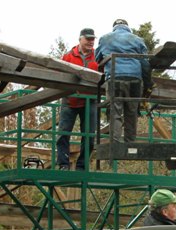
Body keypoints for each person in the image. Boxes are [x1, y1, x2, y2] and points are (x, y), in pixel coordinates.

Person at [95, 19, 151, 143]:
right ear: (127, 27)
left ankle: (115, 142)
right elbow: (145, 63)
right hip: (135, 79)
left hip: (115, 77)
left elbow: (97, 58)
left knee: (115, 111)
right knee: (132, 111)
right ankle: (130, 143)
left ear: (114, 27)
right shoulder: (137, 40)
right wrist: (148, 84)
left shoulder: (105, 39)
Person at [57, 27, 100, 170]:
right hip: (70, 100)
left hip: (90, 101)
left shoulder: (97, 57)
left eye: (93, 39)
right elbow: (59, 75)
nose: (91, 42)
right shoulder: (68, 56)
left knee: (89, 136)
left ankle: (82, 166)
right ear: (80, 39)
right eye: (88, 39)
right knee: (63, 133)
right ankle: (63, 164)